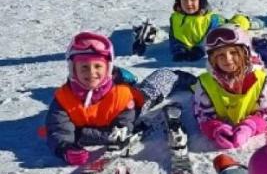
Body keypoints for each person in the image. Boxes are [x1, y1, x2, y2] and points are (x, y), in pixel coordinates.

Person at [44, 31, 179, 166]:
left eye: (98, 66)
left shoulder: (122, 95)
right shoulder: (64, 99)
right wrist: (65, 149)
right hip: (99, 123)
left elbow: (126, 119)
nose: (91, 72)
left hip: (130, 103)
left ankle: (172, 76)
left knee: (149, 94)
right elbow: (57, 129)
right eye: (84, 67)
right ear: (73, 70)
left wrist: (121, 129)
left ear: (107, 68)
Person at [192, 23, 267, 149]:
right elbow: (203, 116)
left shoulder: (261, 81)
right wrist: (216, 129)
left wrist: (249, 127)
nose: (227, 59)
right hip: (221, 120)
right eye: (220, 55)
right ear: (212, 59)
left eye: (233, 52)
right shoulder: (205, 84)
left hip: (251, 119)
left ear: (245, 53)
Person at [168, 0, 249, 62]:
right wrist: (178, 49)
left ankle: (248, 20)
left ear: (201, 0)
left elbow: (213, 38)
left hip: (222, 27)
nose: (188, 3)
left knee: (236, 25)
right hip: (193, 40)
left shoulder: (211, 20)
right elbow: (174, 38)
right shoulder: (175, 19)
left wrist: (200, 49)